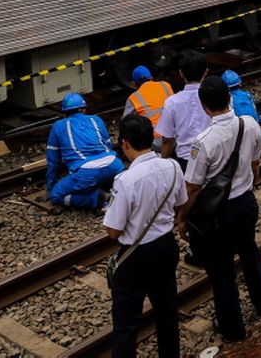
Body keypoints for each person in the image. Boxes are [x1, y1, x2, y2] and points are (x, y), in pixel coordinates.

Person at [181, 77, 261, 342]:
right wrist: (248, 187)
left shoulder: (203, 141)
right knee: (249, 252)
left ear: (204, 106)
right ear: (229, 98)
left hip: (218, 215)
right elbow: (256, 164)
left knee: (221, 270)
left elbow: (193, 188)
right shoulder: (250, 124)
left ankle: (233, 328)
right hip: (245, 204)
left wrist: (182, 218)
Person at [104, 115, 187, 358]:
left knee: (126, 321)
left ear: (125, 143)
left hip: (135, 257)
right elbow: (181, 202)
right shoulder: (172, 166)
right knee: (166, 310)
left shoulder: (125, 180)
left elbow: (113, 231)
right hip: (165, 246)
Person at [46, 93, 124, 209]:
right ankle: (112, 187)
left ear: (64, 112)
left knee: (56, 196)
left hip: (87, 172)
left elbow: (53, 161)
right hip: (114, 164)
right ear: (83, 109)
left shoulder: (58, 126)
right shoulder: (96, 120)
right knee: (99, 178)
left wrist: (51, 187)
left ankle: (98, 198)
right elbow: (108, 145)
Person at [156, 50, 212, 171]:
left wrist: (164, 164)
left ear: (181, 73)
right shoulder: (213, 94)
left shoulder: (172, 102)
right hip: (214, 154)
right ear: (206, 72)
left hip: (186, 160)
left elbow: (167, 140)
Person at [123, 65, 174, 133]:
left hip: (155, 136)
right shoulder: (165, 85)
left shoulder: (133, 97)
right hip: (175, 131)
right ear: (151, 78)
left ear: (134, 84)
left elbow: (124, 122)